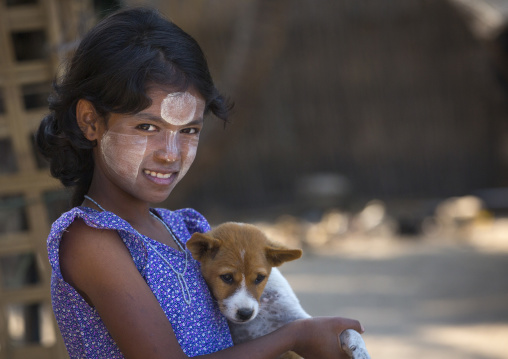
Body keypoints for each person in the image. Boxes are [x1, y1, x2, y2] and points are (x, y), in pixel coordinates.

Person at [36, 7, 364, 359]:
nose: (171, 154)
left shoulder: (184, 231)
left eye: (189, 130)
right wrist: (294, 338)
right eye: (147, 127)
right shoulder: (91, 240)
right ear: (91, 121)